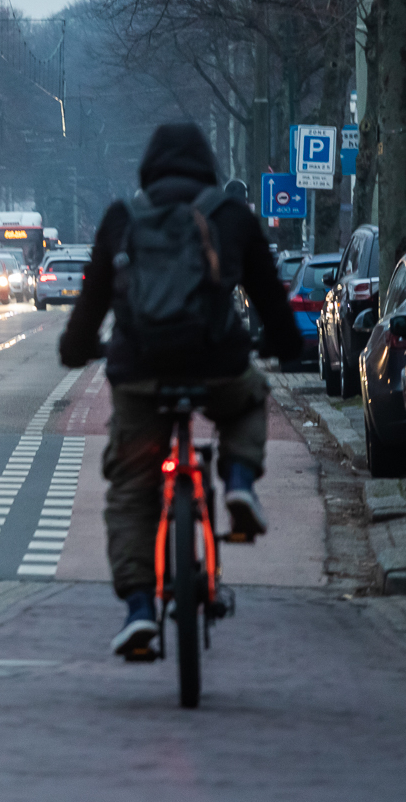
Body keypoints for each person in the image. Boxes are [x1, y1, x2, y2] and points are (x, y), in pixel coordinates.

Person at [59, 124, 301, 659]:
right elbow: (268, 295)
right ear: (207, 165)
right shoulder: (230, 216)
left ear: (148, 168)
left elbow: (92, 301)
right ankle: (238, 480)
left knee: (131, 486)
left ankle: (141, 608)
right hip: (215, 363)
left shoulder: (123, 219)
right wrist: (287, 347)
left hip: (140, 371)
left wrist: (76, 351)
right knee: (249, 398)